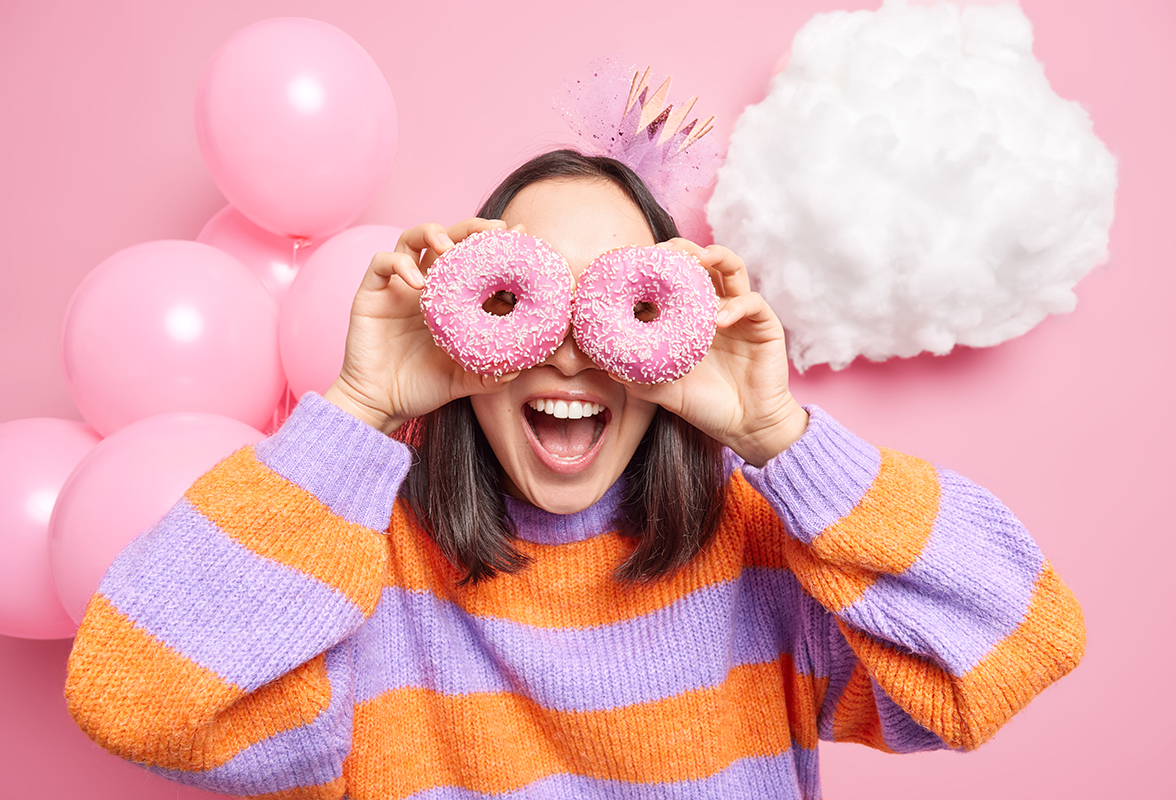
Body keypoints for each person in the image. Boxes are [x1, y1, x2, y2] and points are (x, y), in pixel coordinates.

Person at [65, 149, 1085, 800]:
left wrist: (783, 435)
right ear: (464, 314)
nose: (572, 352)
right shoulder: (357, 570)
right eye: (527, 300)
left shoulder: (761, 554)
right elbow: (137, 700)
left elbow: (1017, 644)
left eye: (625, 303)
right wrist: (362, 412)